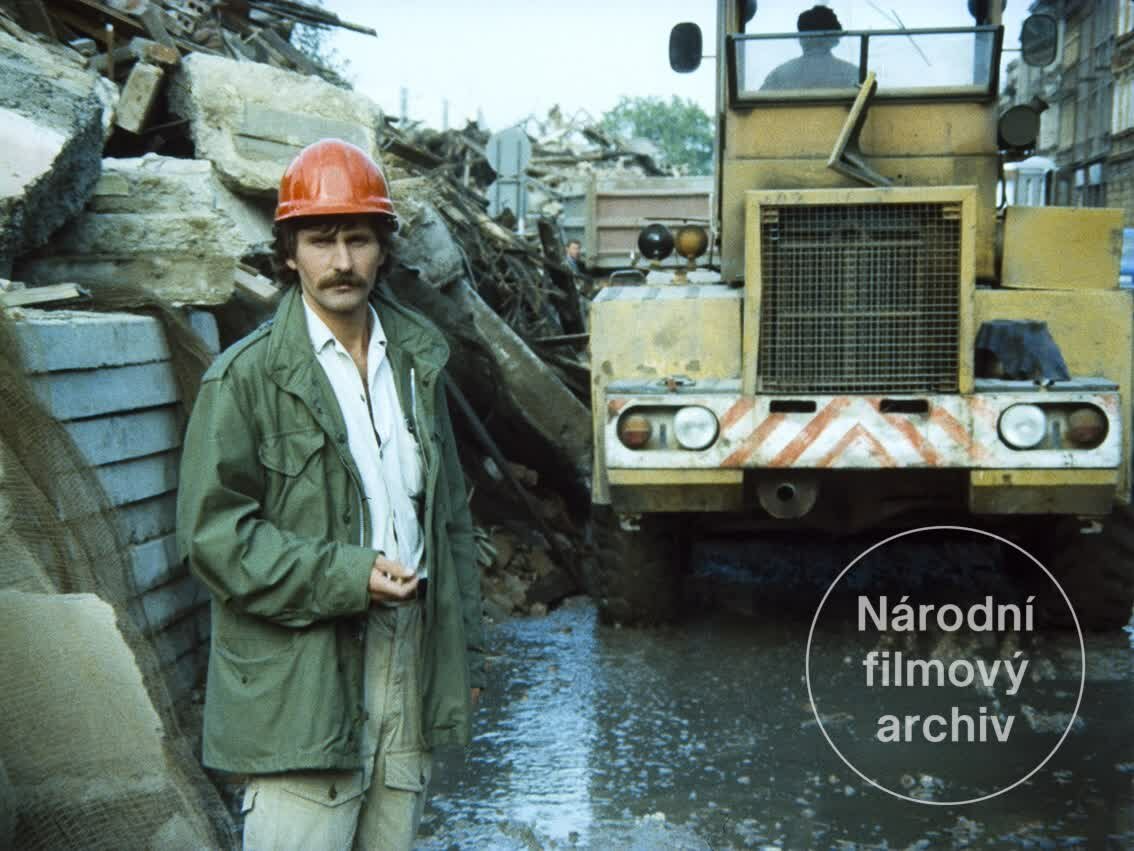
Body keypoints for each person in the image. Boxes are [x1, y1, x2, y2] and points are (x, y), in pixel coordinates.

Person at [176, 138, 485, 850]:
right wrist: (350, 575)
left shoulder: (418, 362)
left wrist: (463, 652)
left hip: (411, 656)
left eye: (358, 239)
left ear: (383, 248)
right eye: (321, 240)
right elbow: (214, 539)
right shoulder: (245, 379)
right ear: (289, 253)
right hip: (301, 674)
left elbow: (449, 523)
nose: (342, 261)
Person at [760, 5, 860, 91]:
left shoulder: (780, 74)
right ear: (834, 39)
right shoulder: (853, 73)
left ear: (801, 38)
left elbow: (758, 103)